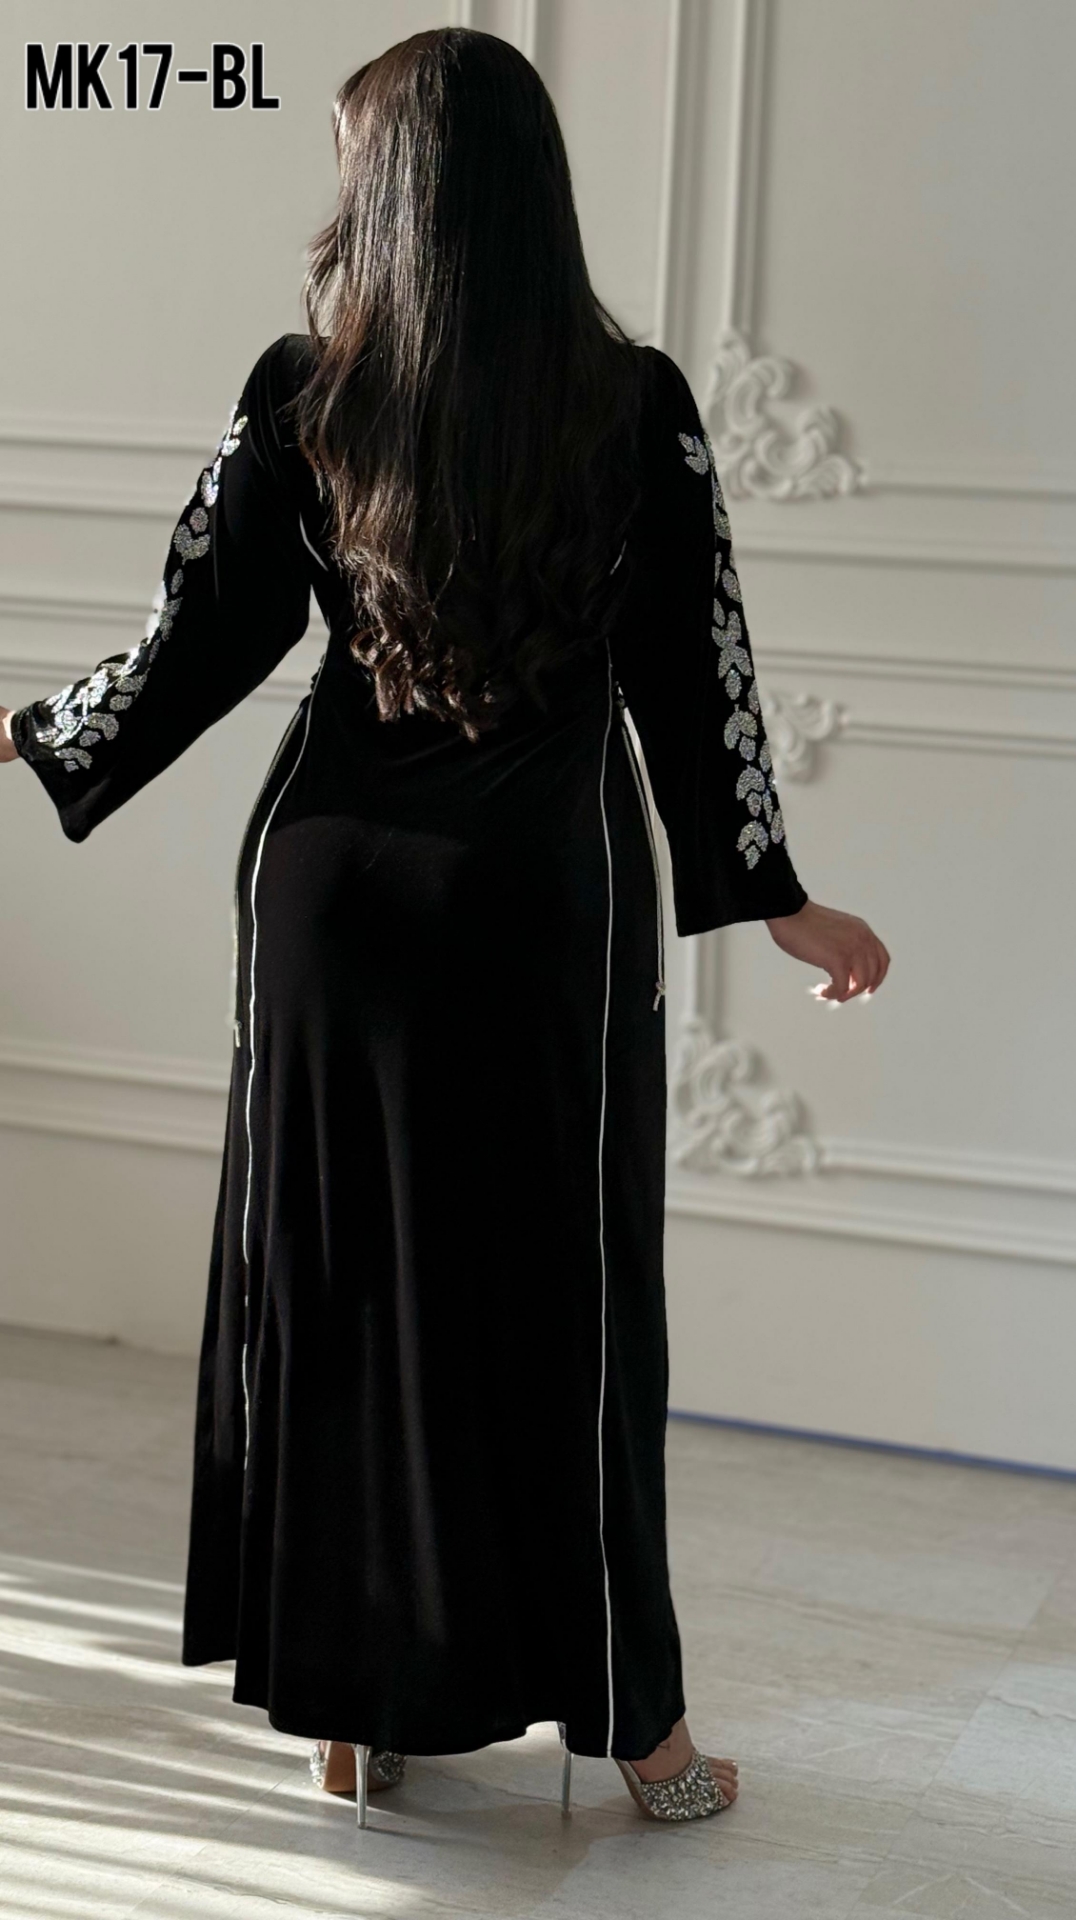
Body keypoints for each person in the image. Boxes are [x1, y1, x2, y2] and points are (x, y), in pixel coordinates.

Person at [0, 27, 888, 1830]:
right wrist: (779, 899)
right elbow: (697, 673)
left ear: (385, 192)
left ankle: (357, 1712)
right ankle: (642, 1736)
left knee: (342, 1303)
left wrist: (37, 730)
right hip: (546, 907)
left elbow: (198, 639)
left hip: (332, 903)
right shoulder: (636, 404)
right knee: (566, 1314)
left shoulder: (306, 394)